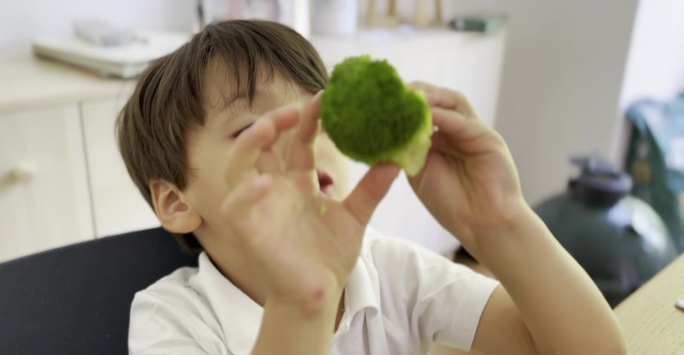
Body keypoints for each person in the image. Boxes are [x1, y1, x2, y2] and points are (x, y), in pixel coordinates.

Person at [118, 20, 625, 355]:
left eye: (321, 114)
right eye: (255, 128)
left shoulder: (387, 268)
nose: (305, 138)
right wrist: (302, 303)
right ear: (176, 201)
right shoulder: (170, 320)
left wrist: (500, 222)